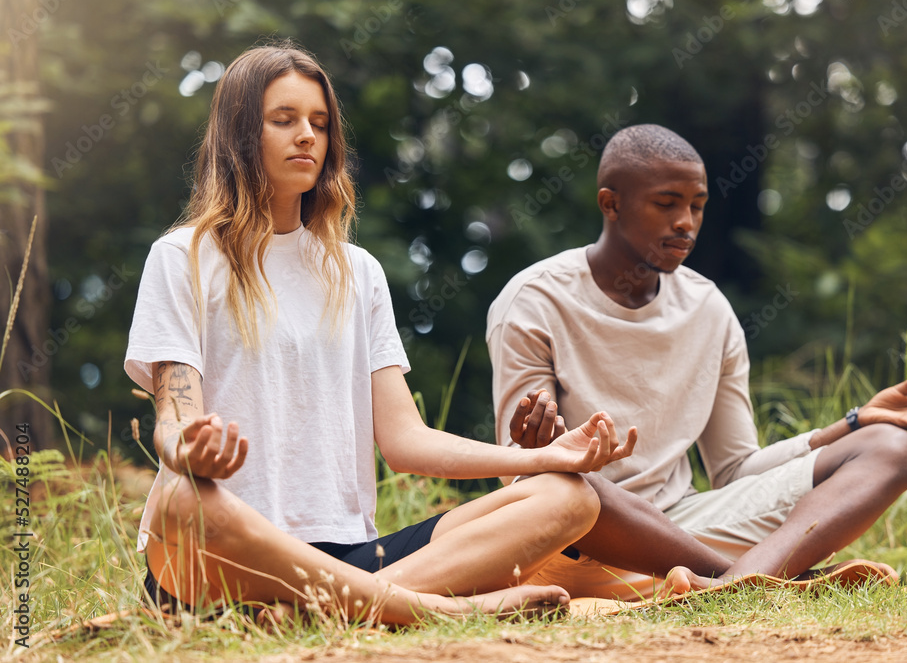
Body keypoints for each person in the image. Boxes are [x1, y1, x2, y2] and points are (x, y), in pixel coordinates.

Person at [124, 42, 639, 626]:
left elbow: (404, 440)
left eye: (319, 123)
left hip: (352, 554)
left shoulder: (357, 271)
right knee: (181, 499)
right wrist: (187, 449)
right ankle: (432, 609)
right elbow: (174, 417)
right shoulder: (182, 257)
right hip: (225, 553)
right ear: (240, 134)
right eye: (284, 120)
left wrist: (545, 456)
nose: (307, 137)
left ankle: (317, 615)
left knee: (568, 496)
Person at [487, 123, 907, 599]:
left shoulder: (708, 308)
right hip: (579, 530)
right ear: (611, 204)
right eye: (666, 204)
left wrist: (852, 424)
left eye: (698, 205)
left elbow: (735, 469)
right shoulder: (534, 301)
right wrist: (543, 451)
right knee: (566, 487)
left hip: (686, 528)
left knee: (892, 449)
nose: (686, 222)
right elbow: (518, 473)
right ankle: (765, 578)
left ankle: (732, 583)